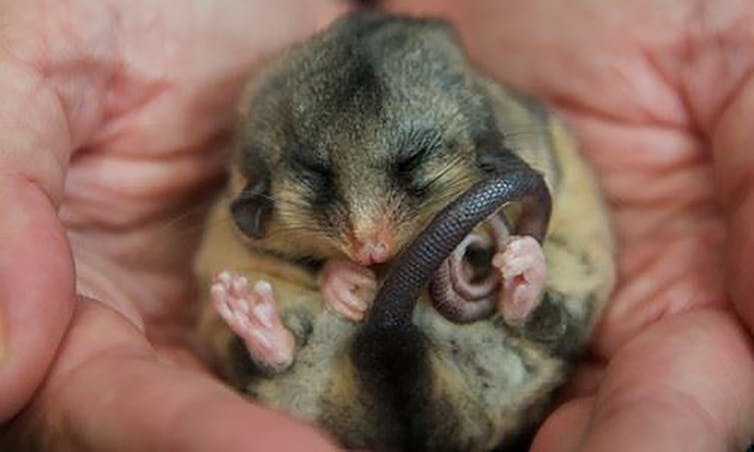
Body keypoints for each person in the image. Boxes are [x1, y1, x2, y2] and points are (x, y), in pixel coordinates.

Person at [0, 0, 751, 450]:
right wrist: (313, 273)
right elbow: (260, 230)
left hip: (487, 368)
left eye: (412, 170)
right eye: (322, 186)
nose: (370, 238)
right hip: (336, 381)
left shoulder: (494, 139)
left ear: (473, 140)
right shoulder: (263, 173)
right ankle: (276, 345)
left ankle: (521, 294)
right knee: (254, 292)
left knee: (538, 274)